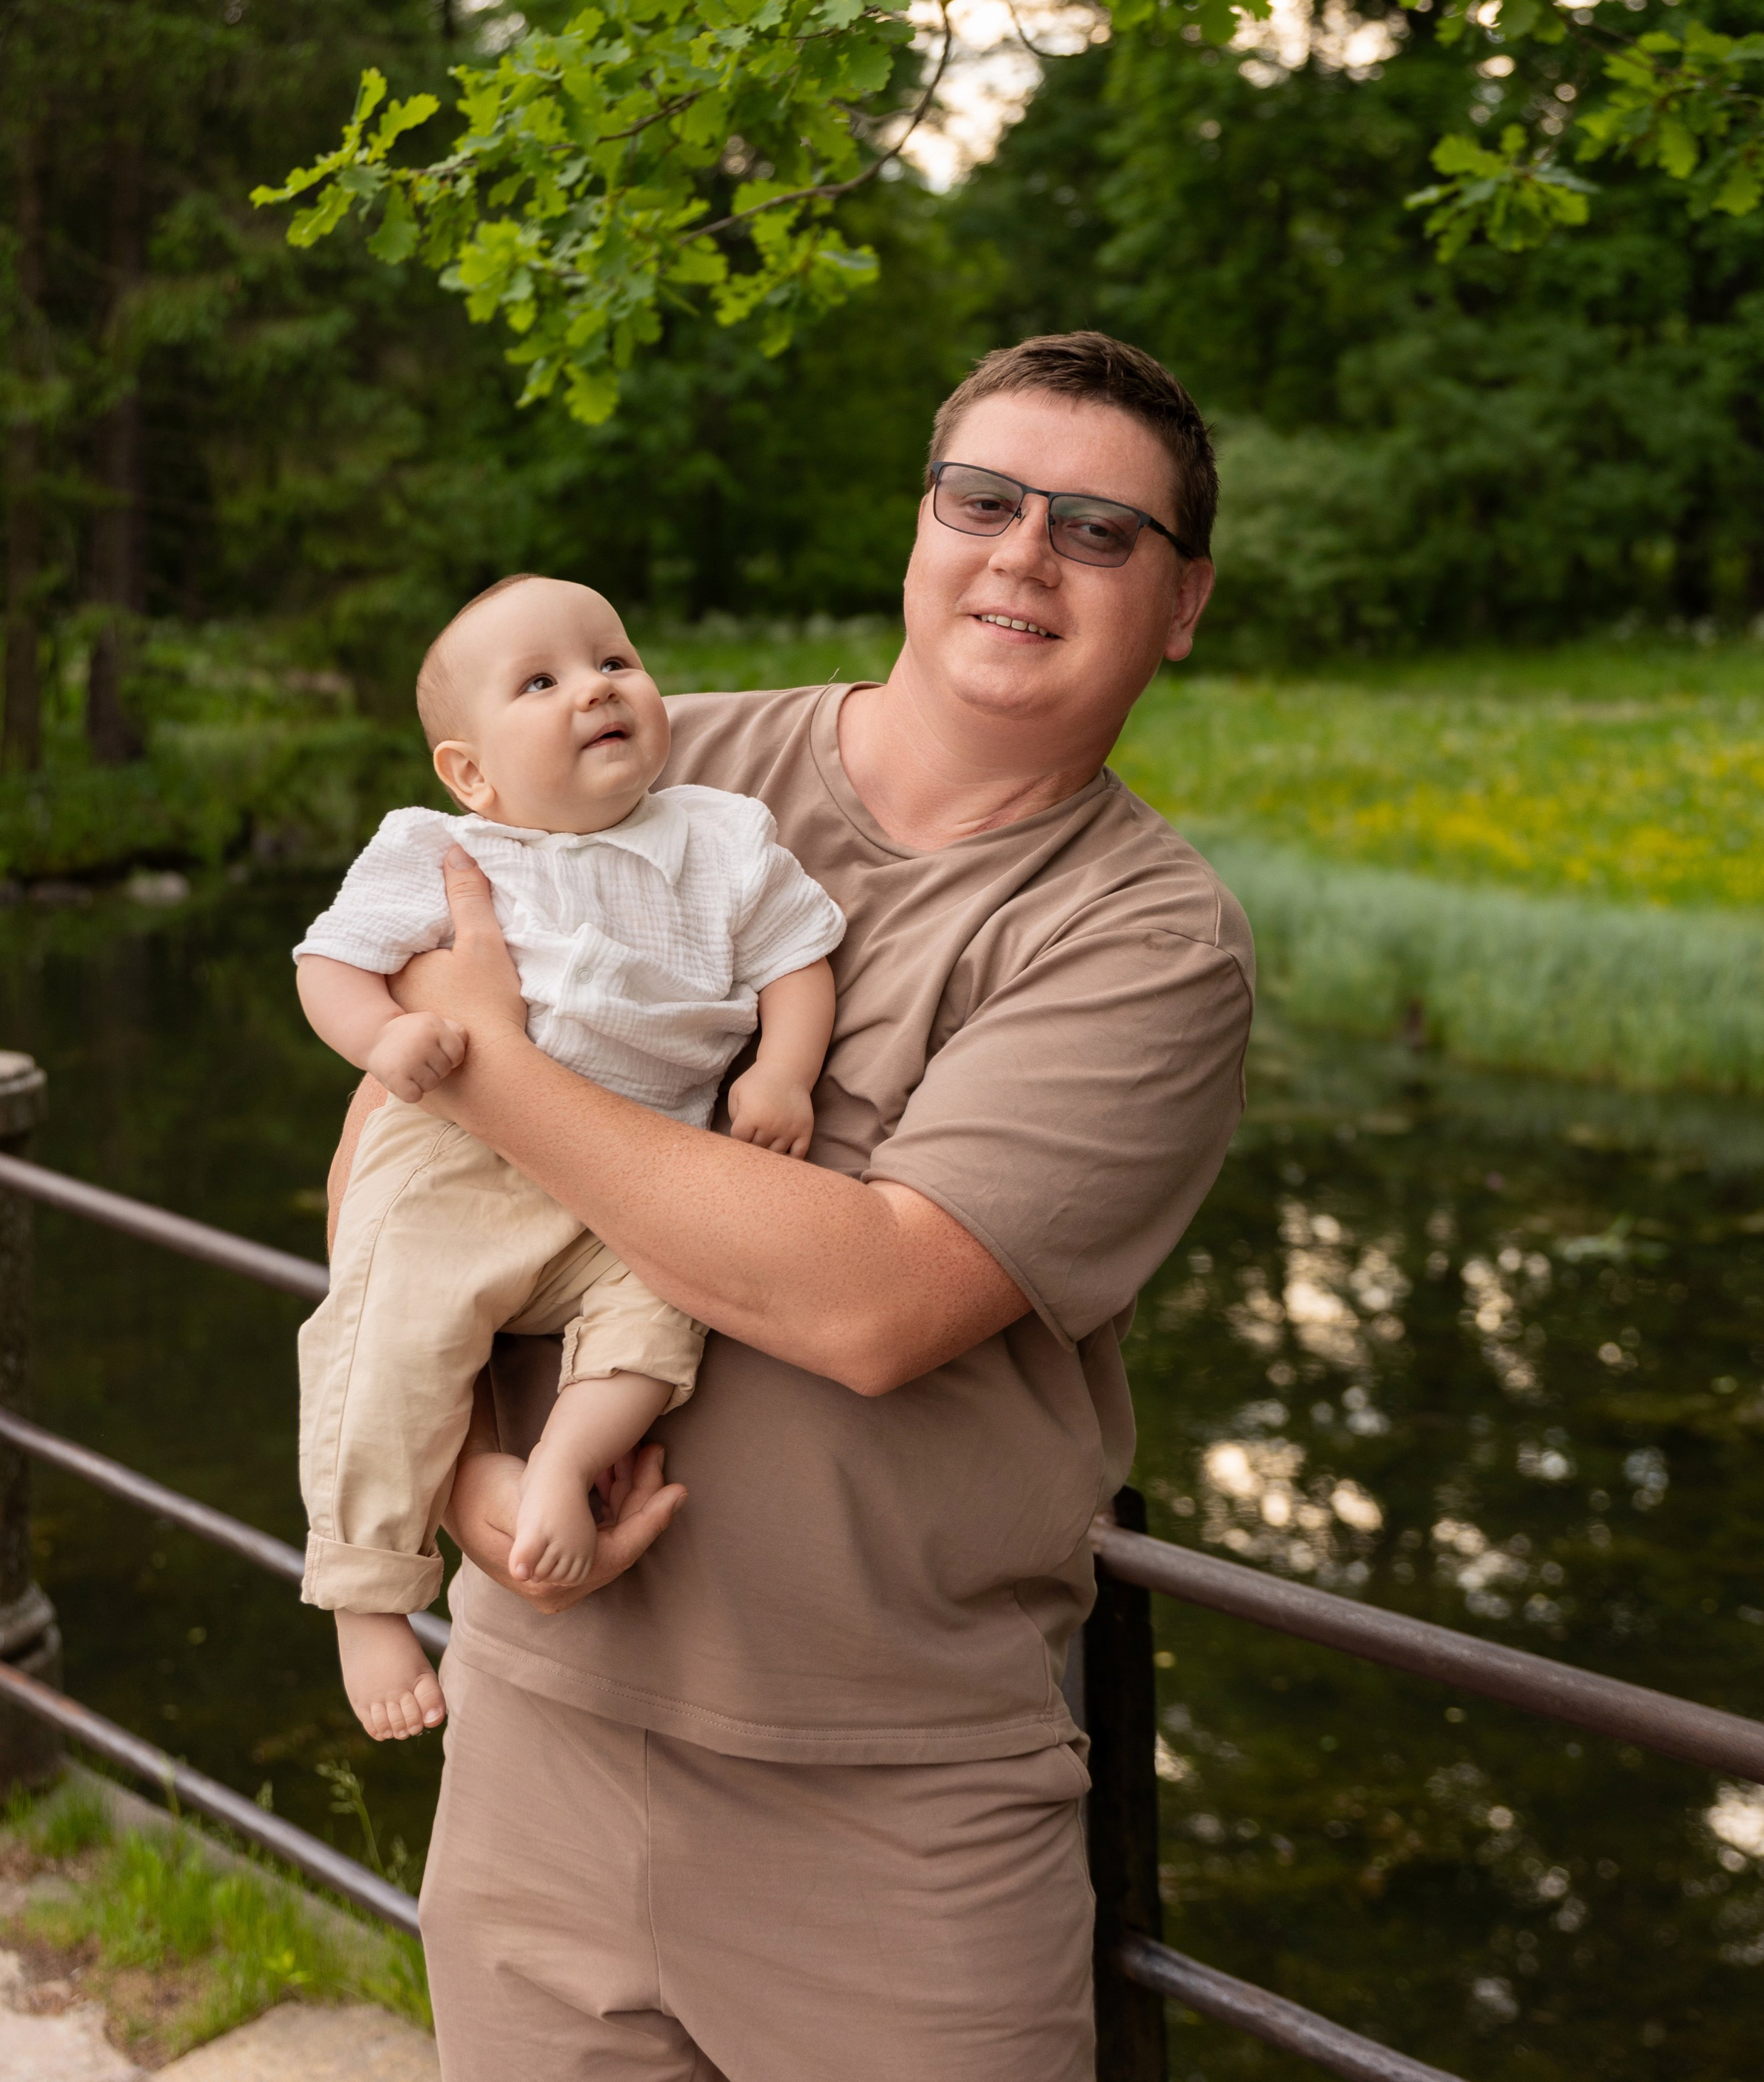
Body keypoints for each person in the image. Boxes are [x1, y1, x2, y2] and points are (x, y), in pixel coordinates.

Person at [329, 330, 1254, 2082]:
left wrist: (497, 1064)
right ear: (919, 526)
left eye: (1096, 530)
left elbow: (872, 1302)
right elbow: (389, 1154)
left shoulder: (1145, 938)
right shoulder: (655, 754)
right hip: (531, 1723)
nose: (1022, 554)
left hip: (889, 1805)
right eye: (980, 499)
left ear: (1181, 604)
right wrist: (464, 1481)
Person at [293, 571, 844, 1740]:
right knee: (386, 1330)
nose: (595, 689)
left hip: (640, 1175)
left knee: (669, 1307)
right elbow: (329, 962)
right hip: (462, 1161)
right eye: (540, 683)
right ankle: (367, 1591)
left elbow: (798, 958)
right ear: (471, 772)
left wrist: (783, 1071)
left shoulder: (722, 836)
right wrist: (382, 1035)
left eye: (614, 661)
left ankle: (564, 1459)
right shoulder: (447, 848)